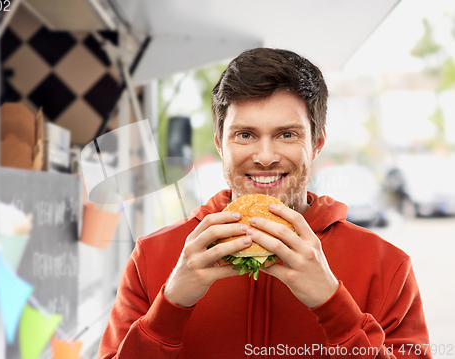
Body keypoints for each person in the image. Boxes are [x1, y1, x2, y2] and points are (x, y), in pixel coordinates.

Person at [97, 48, 431, 358]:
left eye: (287, 134)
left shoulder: (386, 266)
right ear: (219, 142)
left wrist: (334, 306)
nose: (266, 157)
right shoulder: (152, 257)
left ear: (317, 143)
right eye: (245, 135)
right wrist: (169, 307)